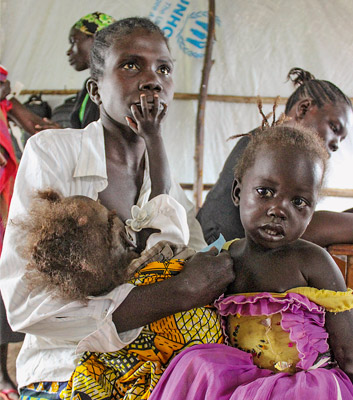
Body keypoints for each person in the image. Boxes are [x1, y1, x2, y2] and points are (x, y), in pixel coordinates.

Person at [0, 18, 233, 399]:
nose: (152, 79)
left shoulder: (163, 172)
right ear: (95, 89)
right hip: (65, 371)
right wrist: (172, 295)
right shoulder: (54, 154)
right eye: (130, 65)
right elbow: (26, 308)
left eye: (163, 68)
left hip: (156, 369)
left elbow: (190, 260)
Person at [150, 123, 353, 399]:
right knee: (196, 364)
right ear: (237, 192)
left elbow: (346, 350)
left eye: (299, 202)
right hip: (240, 383)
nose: (279, 209)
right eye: (265, 192)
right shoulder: (222, 260)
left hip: (304, 386)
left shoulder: (314, 262)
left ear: (313, 209)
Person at [197, 68, 353, 247]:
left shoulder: (276, 147)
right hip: (218, 243)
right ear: (304, 109)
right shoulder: (270, 147)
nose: (336, 145)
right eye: (334, 127)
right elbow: (297, 227)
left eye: (341, 139)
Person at [67, 12, 115, 129]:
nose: (69, 51)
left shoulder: (114, 86)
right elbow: (85, 133)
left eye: (74, 41)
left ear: (97, 39)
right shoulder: (91, 85)